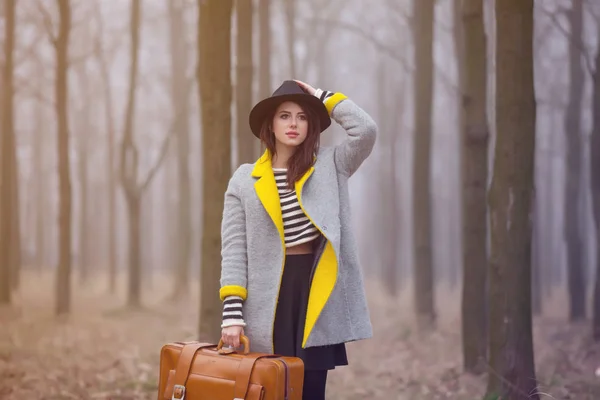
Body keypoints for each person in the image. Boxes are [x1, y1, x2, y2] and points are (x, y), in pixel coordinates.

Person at [218, 79, 377, 400]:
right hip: (266, 299)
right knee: (267, 387)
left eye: (303, 117)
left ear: (312, 126)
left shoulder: (331, 165)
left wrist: (322, 97)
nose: (293, 124)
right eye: (284, 116)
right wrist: (232, 316)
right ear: (270, 124)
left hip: (315, 295)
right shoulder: (245, 179)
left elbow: (366, 130)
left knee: (310, 391)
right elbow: (234, 250)